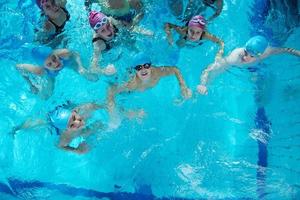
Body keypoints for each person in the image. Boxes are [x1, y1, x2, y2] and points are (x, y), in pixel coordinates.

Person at [197, 35, 300, 95]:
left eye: (251, 56)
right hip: (239, 69)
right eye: (245, 52)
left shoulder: (267, 52)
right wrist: (203, 84)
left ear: (260, 55)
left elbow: (286, 50)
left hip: (255, 67)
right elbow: (211, 68)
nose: (245, 58)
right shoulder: (235, 57)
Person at [107, 54, 192, 113]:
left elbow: (175, 69)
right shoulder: (131, 84)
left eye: (146, 65)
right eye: (138, 67)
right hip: (129, 89)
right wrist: (114, 112)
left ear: (151, 66)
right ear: (135, 70)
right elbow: (110, 90)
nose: (143, 69)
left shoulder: (157, 73)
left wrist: (183, 87)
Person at [10, 102, 106, 154]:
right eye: (72, 125)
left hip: (66, 109)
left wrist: (106, 106)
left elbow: (95, 104)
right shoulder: (66, 137)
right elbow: (59, 146)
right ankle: (16, 128)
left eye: (74, 118)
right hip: (51, 122)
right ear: (66, 129)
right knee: (40, 122)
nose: (78, 122)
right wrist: (77, 150)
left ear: (75, 112)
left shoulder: (86, 108)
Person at [16, 46, 100, 99]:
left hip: (69, 64)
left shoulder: (64, 53)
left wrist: (80, 66)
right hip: (51, 75)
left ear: (55, 54)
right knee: (46, 96)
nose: (55, 63)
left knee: (94, 78)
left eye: (54, 58)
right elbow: (19, 67)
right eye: (50, 64)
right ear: (44, 66)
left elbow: (75, 53)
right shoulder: (40, 70)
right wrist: (31, 85)